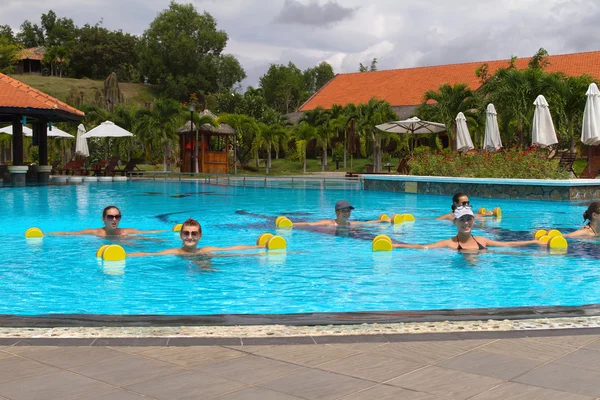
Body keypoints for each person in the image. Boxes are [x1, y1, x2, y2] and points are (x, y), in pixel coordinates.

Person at [394, 206, 545, 251]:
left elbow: (507, 245)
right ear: (455, 222)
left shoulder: (482, 240)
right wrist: (397, 245)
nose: (466, 223)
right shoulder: (450, 244)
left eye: (469, 219)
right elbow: (424, 247)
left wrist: (534, 242)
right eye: (462, 220)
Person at [129, 218, 266, 257]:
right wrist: (124, 255)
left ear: (200, 236)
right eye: (186, 233)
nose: (189, 237)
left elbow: (235, 248)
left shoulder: (205, 250)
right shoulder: (174, 252)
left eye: (193, 234)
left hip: (203, 259)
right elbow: (146, 254)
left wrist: (261, 247)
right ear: (180, 235)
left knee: (231, 255)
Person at [50, 205, 166, 237]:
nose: (114, 219)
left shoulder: (126, 232)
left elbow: (148, 233)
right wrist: (44, 234)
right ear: (103, 219)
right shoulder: (95, 232)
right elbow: (69, 234)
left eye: (117, 216)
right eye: (110, 217)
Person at [293, 200, 389, 227]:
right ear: (337, 212)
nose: (347, 213)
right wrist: (291, 224)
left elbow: (368, 223)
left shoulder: (350, 224)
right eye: (344, 211)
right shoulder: (329, 223)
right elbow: (309, 224)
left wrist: (384, 220)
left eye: (348, 210)